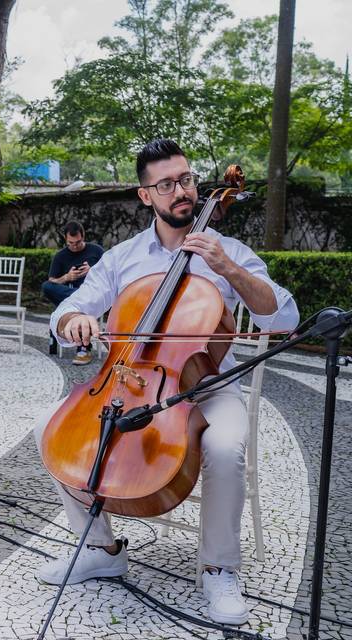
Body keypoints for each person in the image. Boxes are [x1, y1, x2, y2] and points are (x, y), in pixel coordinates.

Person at [33, 139, 299, 625]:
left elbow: (283, 315)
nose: (181, 191)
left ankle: (219, 567)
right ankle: (101, 549)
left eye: (187, 180)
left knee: (225, 446)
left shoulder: (230, 251)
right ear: (144, 195)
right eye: (167, 184)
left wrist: (228, 269)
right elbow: (67, 311)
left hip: (209, 386)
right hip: (129, 379)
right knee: (50, 429)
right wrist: (72, 321)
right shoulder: (123, 257)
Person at [41, 220, 104, 364]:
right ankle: (83, 349)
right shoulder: (60, 256)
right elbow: (52, 280)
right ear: (65, 239)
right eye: (71, 243)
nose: (74, 246)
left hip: (94, 295)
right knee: (46, 286)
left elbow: (110, 277)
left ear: (83, 236)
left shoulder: (97, 251)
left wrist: (92, 271)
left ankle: (83, 348)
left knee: (85, 303)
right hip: (72, 298)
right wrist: (67, 277)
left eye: (78, 242)